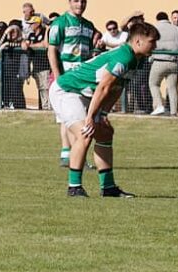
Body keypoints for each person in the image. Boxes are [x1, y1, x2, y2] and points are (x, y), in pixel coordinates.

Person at [50, 20, 159, 198]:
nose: (155, 45)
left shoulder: (137, 60)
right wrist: (91, 117)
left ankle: (108, 188)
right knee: (85, 132)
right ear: (138, 41)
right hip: (67, 91)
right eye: (152, 41)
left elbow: (117, 88)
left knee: (105, 132)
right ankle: (74, 187)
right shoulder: (124, 56)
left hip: (85, 94)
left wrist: (103, 114)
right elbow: (103, 88)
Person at [44, 0, 96, 172]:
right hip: (66, 77)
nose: (80, 4)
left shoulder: (88, 26)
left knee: (76, 117)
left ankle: (70, 154)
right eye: (76, 1)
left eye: (83, 1)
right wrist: (58, 77)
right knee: (69, 117)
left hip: (83, 79)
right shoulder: (60, 23)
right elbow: (51, 50)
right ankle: (71, 154)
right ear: (69, 1)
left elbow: (89, 52)